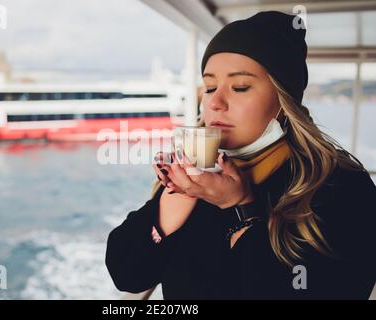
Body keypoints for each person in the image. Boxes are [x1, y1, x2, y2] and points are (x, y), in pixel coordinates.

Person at [105, 11, 376, 299]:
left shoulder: (343, 186)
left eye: (240, 87)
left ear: (284, 102)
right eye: (209, 87)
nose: (215, 102)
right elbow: (127, 275)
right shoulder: (194, 172)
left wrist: (240, 208)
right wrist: (168, 211)